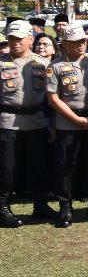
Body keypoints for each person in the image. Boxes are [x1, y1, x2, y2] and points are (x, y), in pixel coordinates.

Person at [46, 23, 88, 226]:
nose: (81, 44)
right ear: (64, 43)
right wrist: (75, 119)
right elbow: (52, 98)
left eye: (83, 41)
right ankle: (66, 207)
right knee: (66, 166)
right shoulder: (55, 66)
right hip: (68, 122)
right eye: (75, 42)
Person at [0, 20, 51, 227]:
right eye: (11, 38)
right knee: (7, 168)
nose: (15, 43)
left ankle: (40, 205)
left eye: (19, 38)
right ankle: (3, 207)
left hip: (37, 121)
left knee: (38, 166)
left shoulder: (43, 63)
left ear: (31, 39)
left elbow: (51, 97)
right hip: (8, 121)